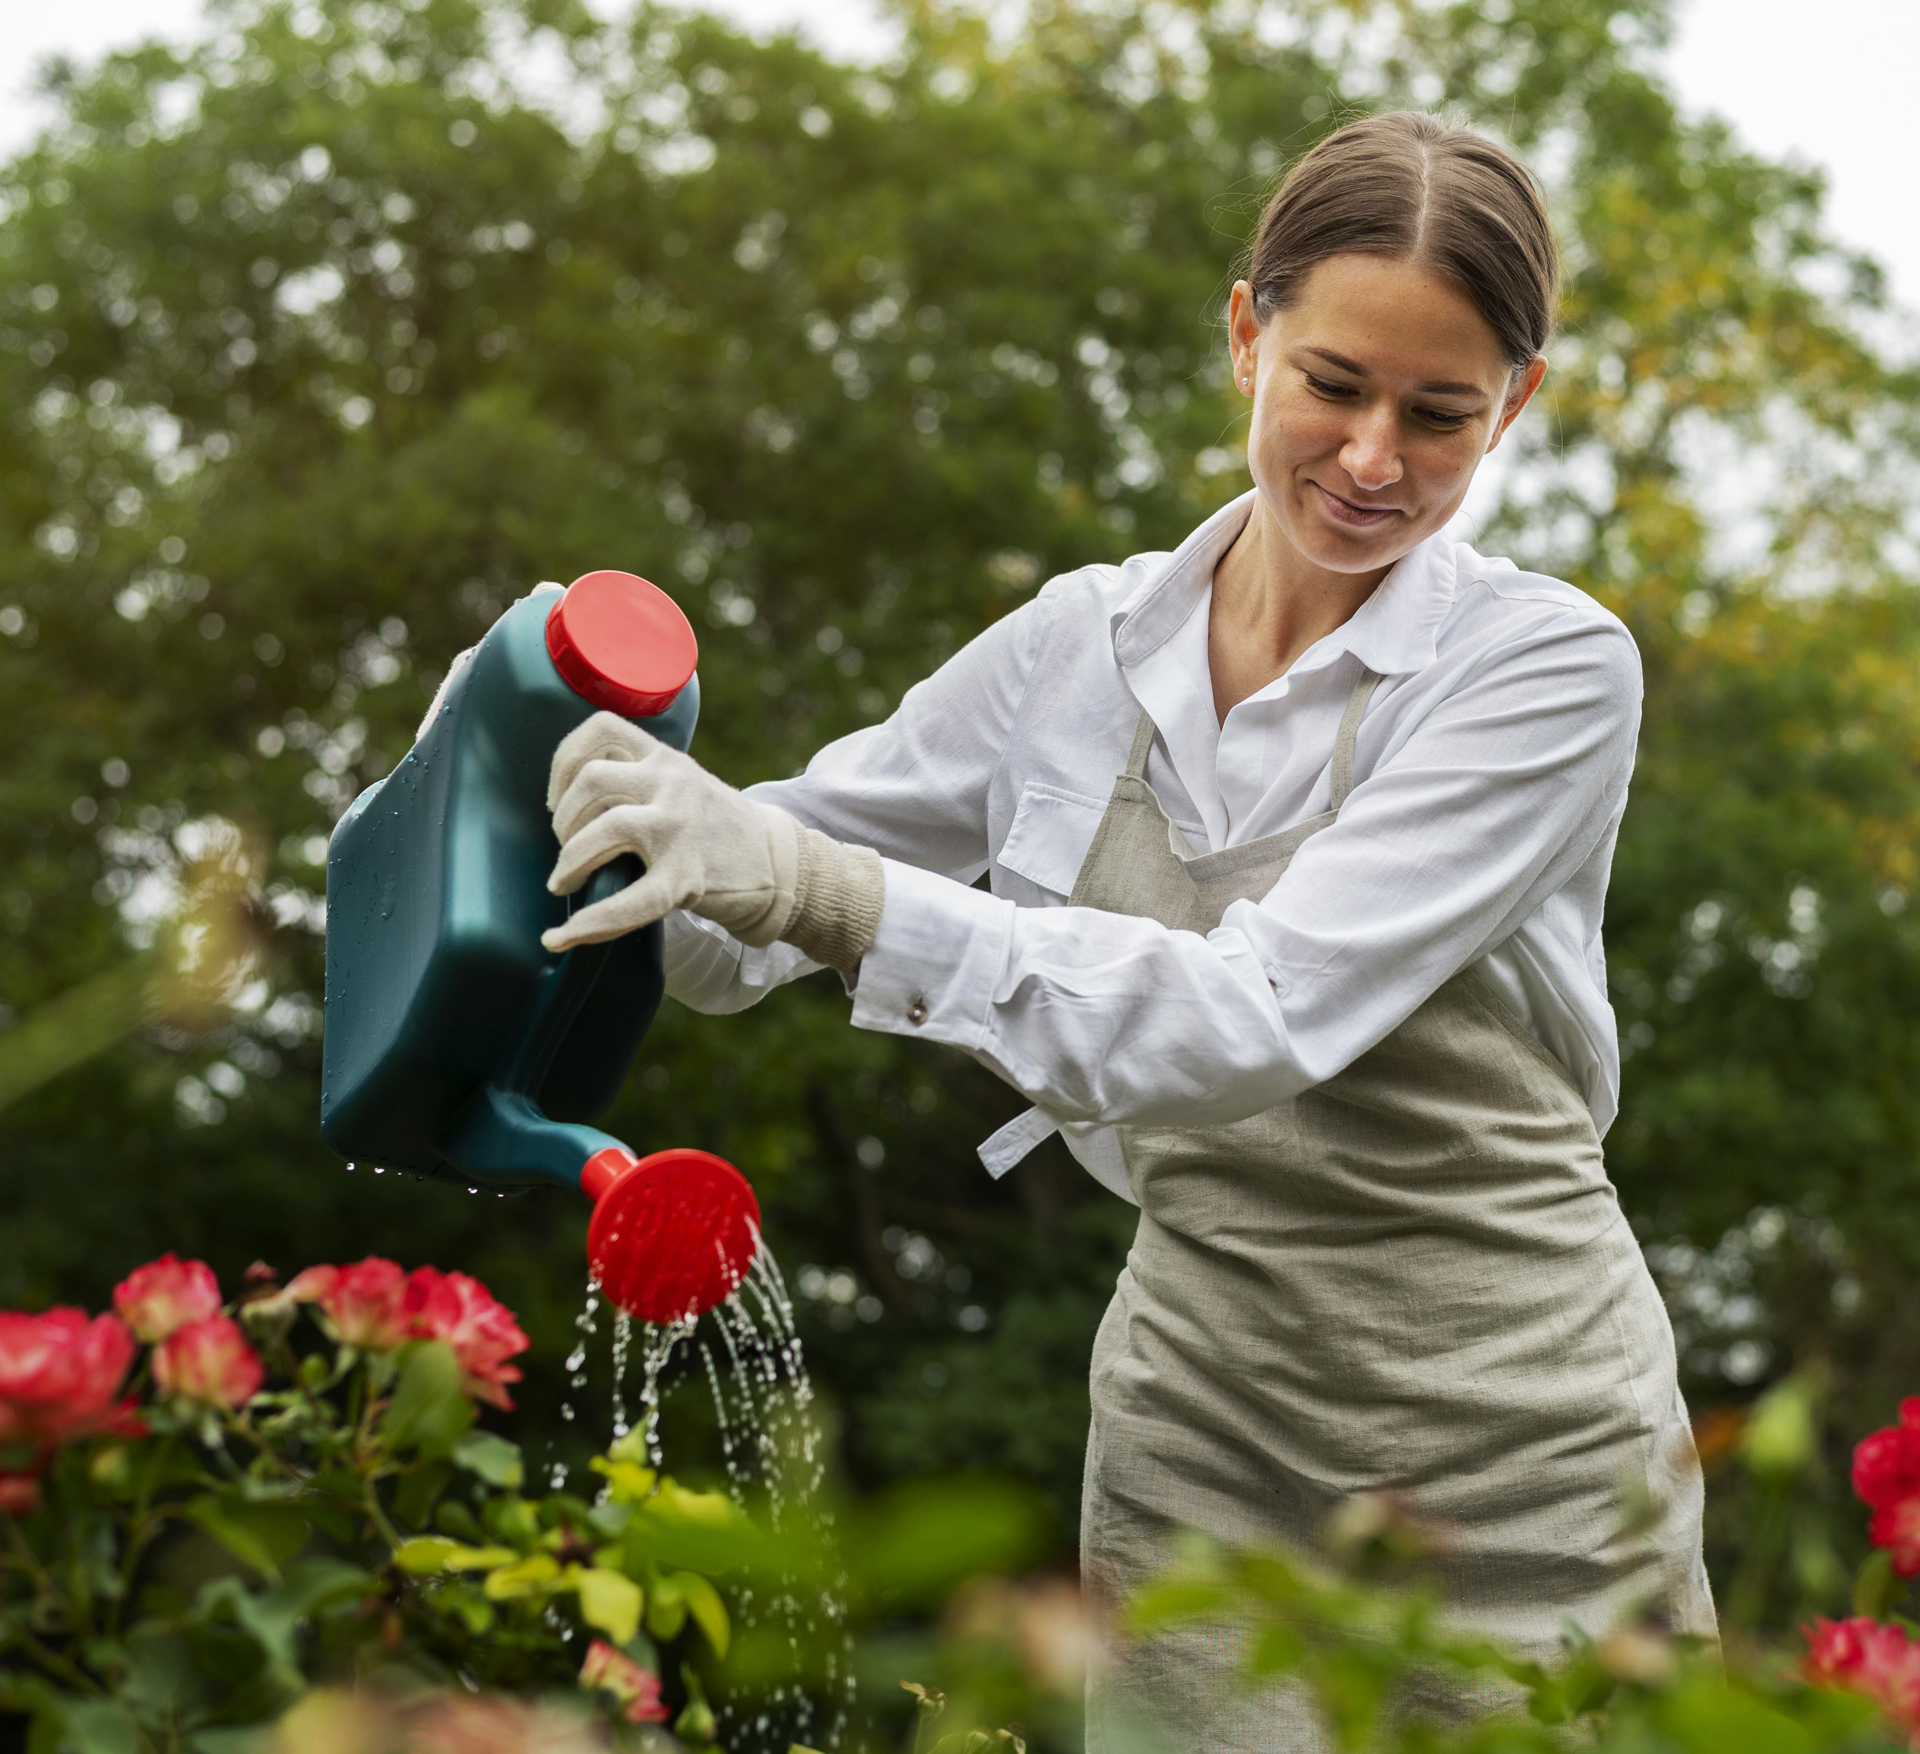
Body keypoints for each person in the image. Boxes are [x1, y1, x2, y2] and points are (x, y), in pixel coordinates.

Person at [536, 110, 1717, 1750]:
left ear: (1514, 401)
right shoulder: (1073, 648)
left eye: (1440, 415)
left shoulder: (1543, 670)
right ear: (1247, 333)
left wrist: (805, 881)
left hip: (1518, 1443)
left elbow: (1248, 1021)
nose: (1375, 457)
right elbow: (731, 930)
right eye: (1332, 384)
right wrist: (587, 803)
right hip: (1206, 1419)